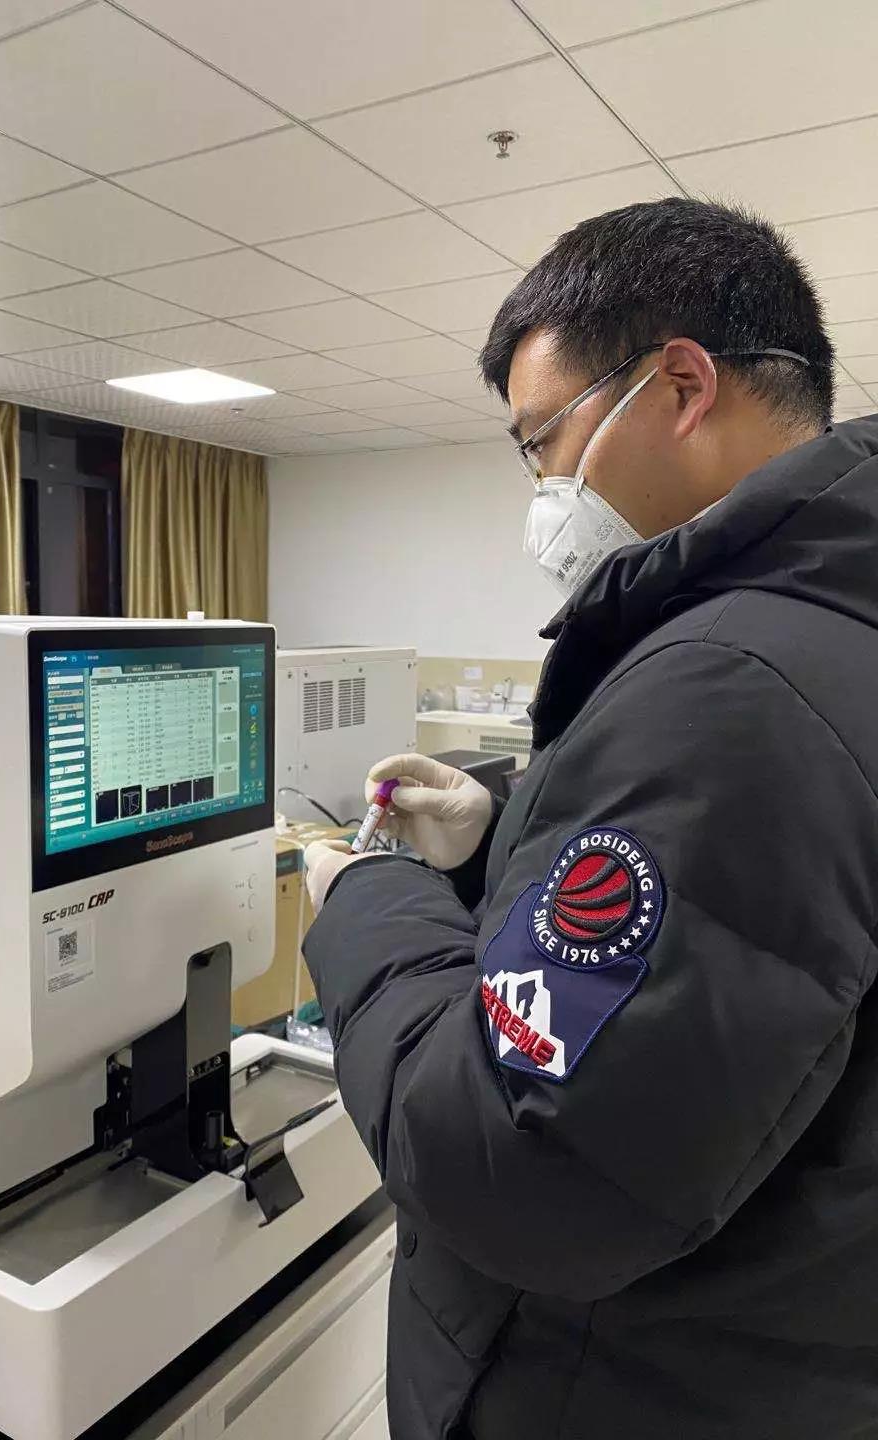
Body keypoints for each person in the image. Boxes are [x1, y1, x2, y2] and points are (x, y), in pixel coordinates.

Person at [301, 198, 878, 1440]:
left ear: (680, 386)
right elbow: (729, 927)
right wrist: (503, 833)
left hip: (623, 1384)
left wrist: (368, 898)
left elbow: (519, 1165)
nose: (543, 491)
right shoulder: (823, 625)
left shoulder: (728, 688)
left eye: (541, 442)